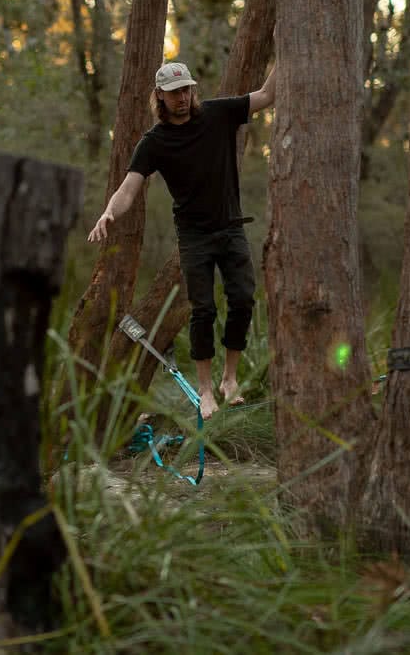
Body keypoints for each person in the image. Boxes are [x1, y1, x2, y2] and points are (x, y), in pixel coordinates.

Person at [87, 61, 276, 418]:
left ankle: (229, 380)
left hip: (231, 227)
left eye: (187, 90)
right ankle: (205, 391)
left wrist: (289, 50)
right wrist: (109, 212)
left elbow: (267, 95)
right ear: (160, 96)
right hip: (194, 237)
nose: (183, 98)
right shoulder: (154, 142)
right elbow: (129, 188)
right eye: (175, 93)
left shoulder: (218, 114)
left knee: (243, 299)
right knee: (202, 309)